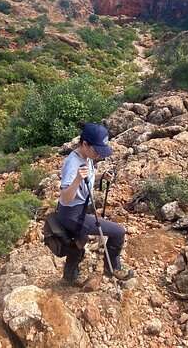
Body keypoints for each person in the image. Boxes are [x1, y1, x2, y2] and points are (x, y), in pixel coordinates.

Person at [57, 122, 135, 286]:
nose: (98, 155)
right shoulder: (73, 164)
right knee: (118, 232)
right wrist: (78, 179)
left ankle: (70, 274)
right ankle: (112, 267)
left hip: (78, 210)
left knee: (80, 240)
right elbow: (65, 197)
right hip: (71, 214)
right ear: (85, 143)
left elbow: (88, 177)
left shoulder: (85, 156)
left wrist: (101, 176)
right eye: (96, 150)